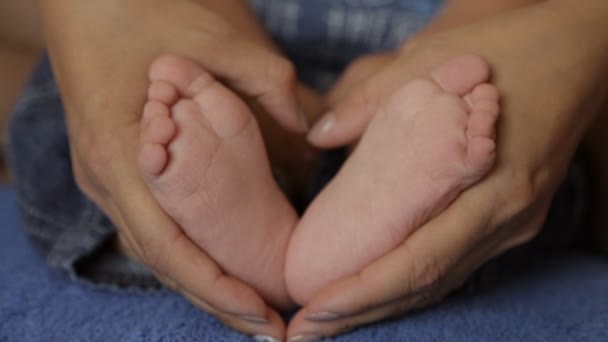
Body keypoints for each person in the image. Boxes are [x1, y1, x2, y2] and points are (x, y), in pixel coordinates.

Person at [8, 0, 608, 341]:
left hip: (512, 45)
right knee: (122, 98)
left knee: (157, 117)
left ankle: (267, 174)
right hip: (173, 30)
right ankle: (354, 188)